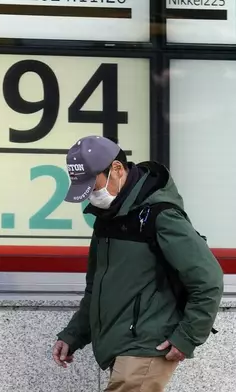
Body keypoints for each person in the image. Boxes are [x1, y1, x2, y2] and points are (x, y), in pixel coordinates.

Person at [52, 135, 224, 391]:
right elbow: (96, 289)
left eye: (94, 185)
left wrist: (187, 336)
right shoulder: (108, 218)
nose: (91, 197)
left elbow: (209, 279)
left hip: (147, 347)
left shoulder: (160, 215)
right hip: (122, 346)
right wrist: (74, 334)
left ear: (117, 169)